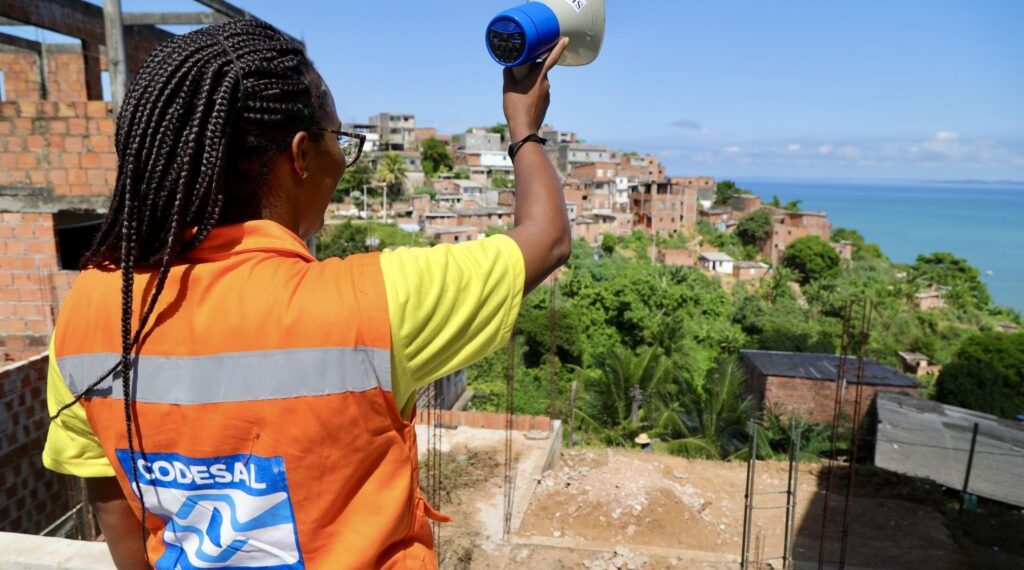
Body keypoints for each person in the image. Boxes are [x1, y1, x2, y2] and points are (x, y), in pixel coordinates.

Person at [42, 19, 570, 570]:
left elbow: (119, 519)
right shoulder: (372, 303)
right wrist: (524, 127)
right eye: (338, 140)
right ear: (300, 156)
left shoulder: (91, 315)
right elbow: (547, 237)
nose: (342, 161)